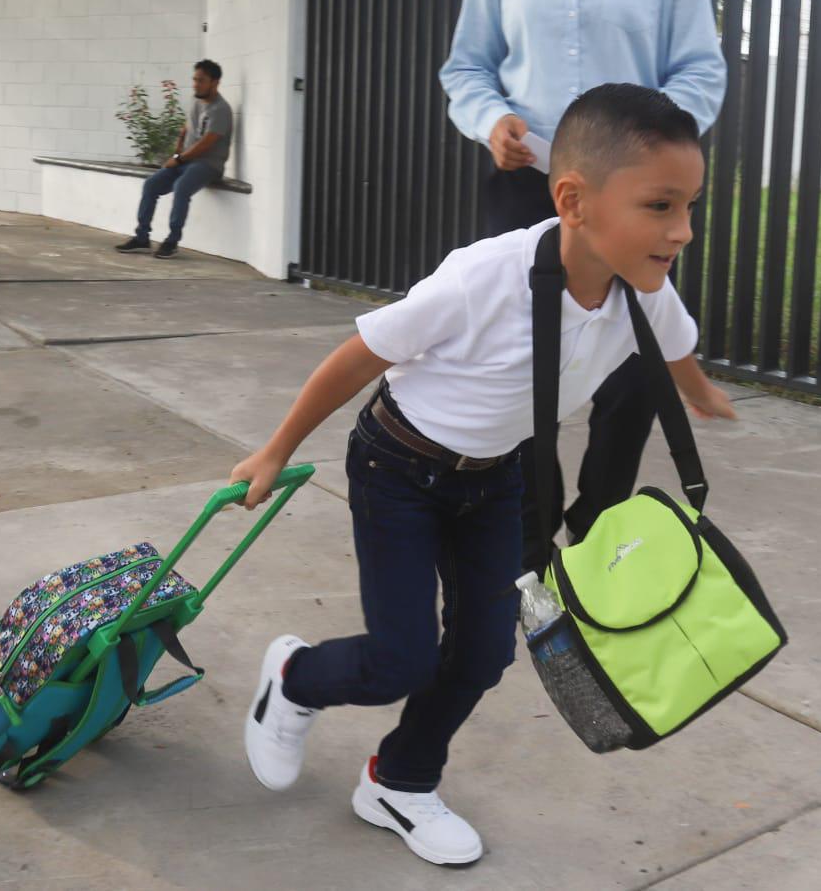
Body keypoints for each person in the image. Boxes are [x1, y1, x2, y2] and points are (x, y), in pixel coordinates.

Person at [231, 85, 734, 867]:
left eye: (690, 206)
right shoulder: (484, 278)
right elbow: (362, 354)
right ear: (574, 201)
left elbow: (676, 347)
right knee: (402, 658)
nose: (683, 230)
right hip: (398, 466)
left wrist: (700, 393)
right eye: (661, 206)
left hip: (496, 479)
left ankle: (399, 780)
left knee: (482, 655)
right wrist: (275, 448)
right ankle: (296, 677)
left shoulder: (646, 293)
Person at [439, 0, 727, 573]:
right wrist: (490, 120)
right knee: (526, 363)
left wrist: (648, 157)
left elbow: (699, 69)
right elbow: (468, 67)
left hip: (633, 195)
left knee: (632, 370)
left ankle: (597, 520)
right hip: (529, 184)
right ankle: (528, 537)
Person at [115, 59, 232, 259]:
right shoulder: (196, 101)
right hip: (186, 160)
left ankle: (172, 241)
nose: (196, 84)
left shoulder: (221, 110)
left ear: (215, 82)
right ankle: (142, 238)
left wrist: (179, 160)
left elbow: (206, 144)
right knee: (151, 185)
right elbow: (186, 127)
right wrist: (177, 151)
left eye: (201, 80)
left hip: (208, 164)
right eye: (194, 79)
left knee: (181, 187)